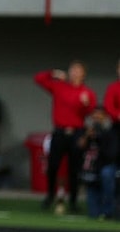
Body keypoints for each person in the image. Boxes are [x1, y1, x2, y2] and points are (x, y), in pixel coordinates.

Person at [34, 60, 97, 213]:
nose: (74, 72)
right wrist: (53, 73)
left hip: (77, 132)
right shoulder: (59, 86)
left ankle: (73, 201)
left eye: (78, 69)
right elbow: (38, 79)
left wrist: (85, 104)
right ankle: (50, 196)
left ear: (83, 74)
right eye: (72, 69)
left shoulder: (87, 92)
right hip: (60, 131)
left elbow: (90, 113)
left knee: (74, 169)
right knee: (53, 165)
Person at [104, 58, 120, 170]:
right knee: (113, 154)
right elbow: (108, 106)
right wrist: (118, 115)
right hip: (117, 127)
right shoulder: (113, 87)